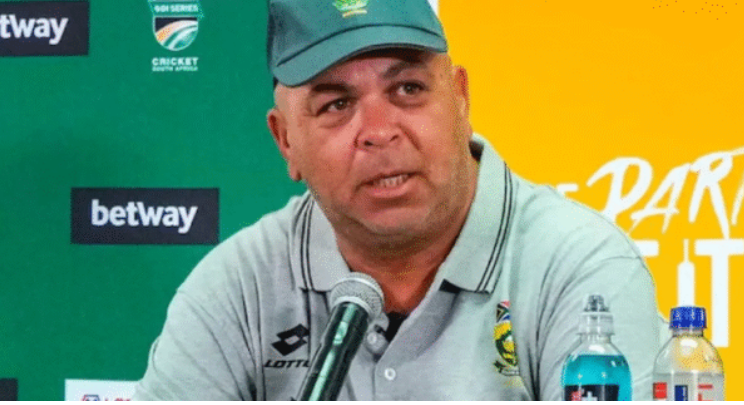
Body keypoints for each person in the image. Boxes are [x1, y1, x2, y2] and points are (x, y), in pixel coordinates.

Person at [133, 0, 662, 400]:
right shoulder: (237, 287)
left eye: (408, 89)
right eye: (337, 104)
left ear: (461, 100)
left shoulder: (581, 268)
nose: (379, 131)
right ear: (286, 141)